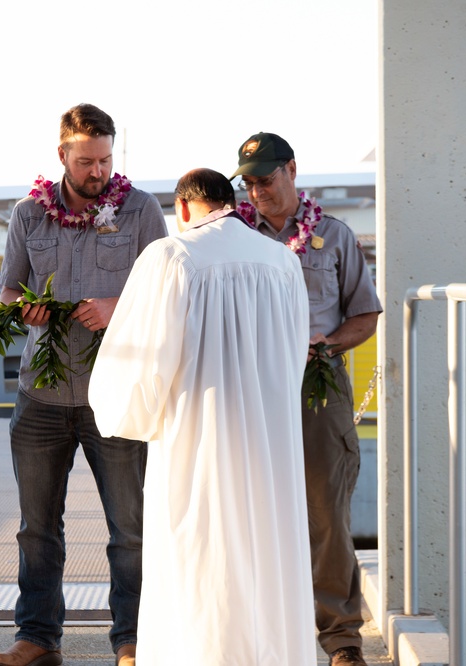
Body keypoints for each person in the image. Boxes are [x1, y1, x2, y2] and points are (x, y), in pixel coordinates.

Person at [87, 167, 315, 665]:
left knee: (201, 567)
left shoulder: (172, 256)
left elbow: (142, 361)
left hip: (197, 442)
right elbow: (294, 353)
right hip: (271, 446)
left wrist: (124, 413)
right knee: (267, 562)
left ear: (184, 209)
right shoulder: (282, 262)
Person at [0, 103, 168, 666]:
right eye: (88, 161)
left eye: (107, 159)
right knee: (36, 529)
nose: (99, 172)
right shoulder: (27, 214)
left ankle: (132, 640)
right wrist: (29, 309)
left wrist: (120, 306)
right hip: (40, 399)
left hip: (117, 398)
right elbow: (8, 294)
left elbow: (167, 294)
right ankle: (37, 639)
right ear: (62, 155)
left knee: (130, 529)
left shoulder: (140, 210)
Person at [231, 133, 383, 666]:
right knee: (250, 510)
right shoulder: (233, 238)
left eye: (266, 180)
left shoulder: (335, 236)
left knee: (326, 513)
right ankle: (261, 635)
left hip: (317, 384)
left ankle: (341, 640)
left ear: (291, 170)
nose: (257, 193)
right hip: (250, 388)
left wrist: (330, 342)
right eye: (248, 183)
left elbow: (365, 315)